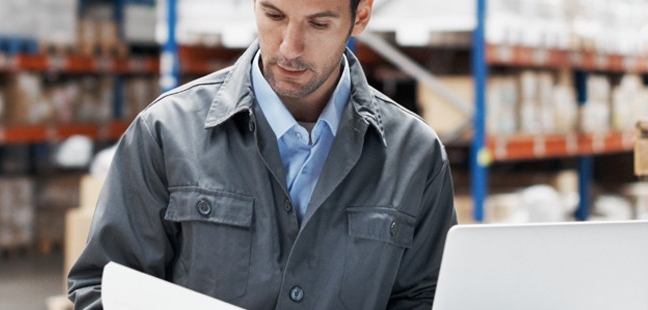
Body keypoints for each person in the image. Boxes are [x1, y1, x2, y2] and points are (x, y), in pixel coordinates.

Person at [65, 0, 456, 308]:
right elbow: (103, 286)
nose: (289, 47)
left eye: (318, 24)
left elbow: (426, 299)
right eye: (273, 14)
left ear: (361, 16)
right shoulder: (165, 133)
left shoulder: (416, 156)